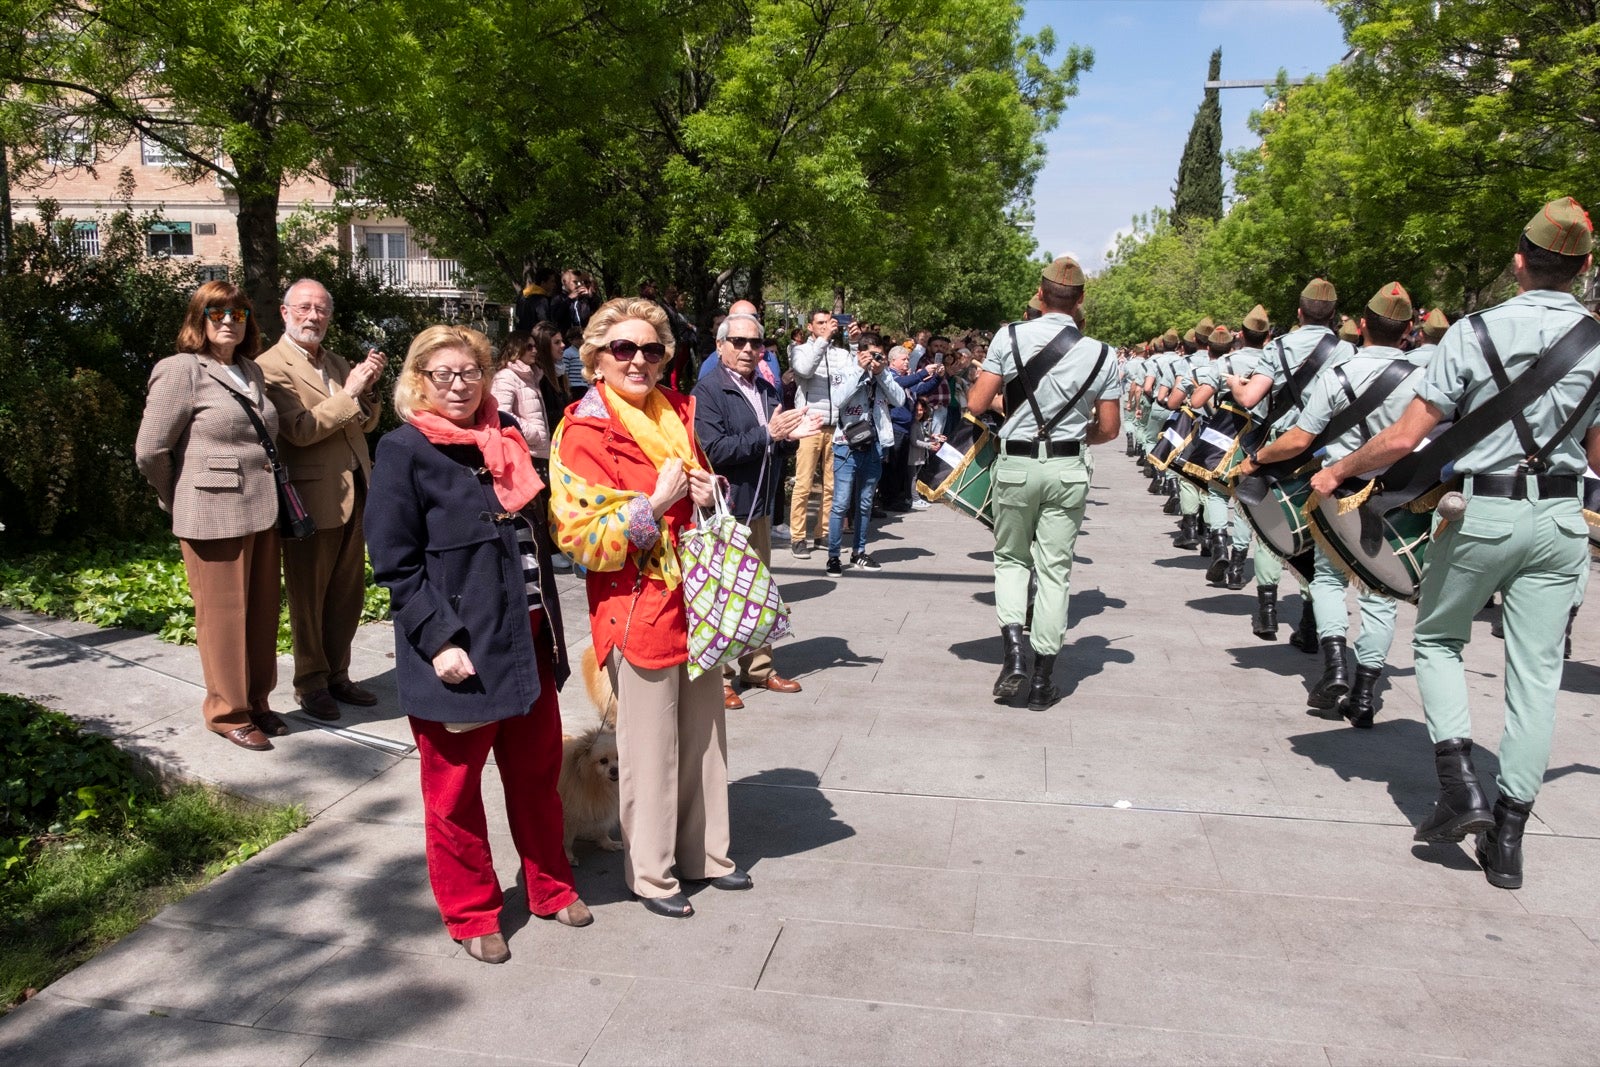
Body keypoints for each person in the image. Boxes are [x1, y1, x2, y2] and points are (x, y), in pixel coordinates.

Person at [1310, 197, 1600, 890]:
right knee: (1537, 674)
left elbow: (1406, 437)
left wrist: (1342, 469)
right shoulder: (1597, 341)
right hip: (1562, 521)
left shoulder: (1472, 333)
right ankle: (1507, 839)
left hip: (1479, 512)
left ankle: (1459, 785)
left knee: (1439, 640)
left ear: (1519, 262)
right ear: (1586, 269)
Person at [365, 325, 587, 964]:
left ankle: (549, 886)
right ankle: (472, 910)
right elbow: (395, 563)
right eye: (443, 375)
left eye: (469, 373)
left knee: (536, 776)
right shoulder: (404, 449)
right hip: (459, 650)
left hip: (529, 637)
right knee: (455, 794)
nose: (458, 386)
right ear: (419, 380)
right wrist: (436, 641)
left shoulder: (507, 437)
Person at [549, 297, 751, 919]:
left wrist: (708, 488)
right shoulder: (582, 431)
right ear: (596, 360)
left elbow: (712, 493)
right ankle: (653, 873)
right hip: (636, 608)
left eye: (651, 349)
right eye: (623, 349)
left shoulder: (683, 412)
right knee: (649, 747)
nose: (638, 360)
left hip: (699, 600)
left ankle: (706, 856)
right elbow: (579, 535)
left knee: (703, 738)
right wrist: (656, 504)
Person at [1241, 283, 1429, 727]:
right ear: (1407, 330)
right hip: (1394, 495)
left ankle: (1335, 669)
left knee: (1327, 579)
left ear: (1361, 324)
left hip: (1336, 489)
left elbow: (1301, 439)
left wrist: (1258, 459)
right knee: (1380, 592)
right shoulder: (1423, 375)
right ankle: (1365, 694)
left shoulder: (1339, 373)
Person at [135, 282, 284, 751]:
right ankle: (227, 712)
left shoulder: (251, 370)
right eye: (216, 313)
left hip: (261, 509)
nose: (227, 322)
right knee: (222, 617)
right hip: (210, 511)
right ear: (198, 319)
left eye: (237, 314)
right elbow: (150, 450)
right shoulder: (180, 370)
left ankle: (257, 701)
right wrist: (177, 496)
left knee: (260, 613)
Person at [968, 257, 1121, 710]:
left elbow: (977, 402)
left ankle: (1014, 653)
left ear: (1040, 292)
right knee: (1055, 570)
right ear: (1080, 299)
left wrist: (1011, 413)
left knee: (1011, 560)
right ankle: (1042, 680)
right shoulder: (1103, 353)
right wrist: (1075, 434)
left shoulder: (1009, 336)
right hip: (1068, 468)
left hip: (1015, 465)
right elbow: (1110, 429)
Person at [256, 279, 386, 722]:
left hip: (357, 490)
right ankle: (310, 684)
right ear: (285, 312)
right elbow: (299, 430)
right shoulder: (269, 367)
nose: (314, 316)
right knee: (309, 596)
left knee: (347, 594)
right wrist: (350, 392)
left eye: (322, 310)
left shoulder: (333, 361)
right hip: (310, 496)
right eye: (305, 308)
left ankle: (338, 674)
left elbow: (363, 426)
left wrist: (367, 390)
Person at [692, 313, 821, 710]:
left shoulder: (765, 387)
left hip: (760, 505)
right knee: (723, 594)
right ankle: (721, 678)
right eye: (739, 341)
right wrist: (768, 434)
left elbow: (771, 444)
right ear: (720, 346)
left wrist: (789, 438)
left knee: (758, 589)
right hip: (727, 508)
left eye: (755, 343)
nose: (748, 349)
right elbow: (714, 450)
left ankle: (760, 668)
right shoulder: (709, 390)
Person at [825, 332, 906, 575]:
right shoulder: (844, 369)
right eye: (871, 355)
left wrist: (881, 373)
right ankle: (833, 556)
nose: (875, 359)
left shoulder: (882, 373)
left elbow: (900, 400)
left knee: (865, 503)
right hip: (846, 445)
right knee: (840, 504)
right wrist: (859, 371)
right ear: (860, 352)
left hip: (874, 444)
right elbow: (838, 399)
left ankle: (859, 552)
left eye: (879, 355)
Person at [788, 309, 859, 558]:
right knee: (804, 483)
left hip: (836, 425)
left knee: (832, 485)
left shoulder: (839, 353)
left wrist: (854, 343)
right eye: (819, 323)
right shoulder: (799, 350)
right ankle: (798, 537)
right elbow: (805, 370)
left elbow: (854, 375)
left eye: (827, 323)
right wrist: (823, 340)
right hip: (810, 424)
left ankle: (823, 532)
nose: (824, 327)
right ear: (810, 326)